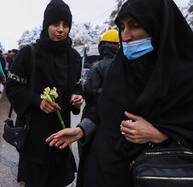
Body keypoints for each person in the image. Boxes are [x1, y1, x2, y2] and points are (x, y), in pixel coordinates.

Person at [46, 0, 193, 186]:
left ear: (158, 24)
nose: (125, 35)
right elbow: (104, 109)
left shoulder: (184, 75)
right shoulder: (120, 68)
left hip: (154, 174)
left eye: (135, 25)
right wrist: (82, 129)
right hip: (102, 171)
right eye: (122, 27)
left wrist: (162, 134)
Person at [5, 0, 83, 186]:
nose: (61, 29)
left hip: (62, 135)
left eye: (65, 25)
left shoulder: (74, 57)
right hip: (34, 137)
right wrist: (36, 101)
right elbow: (12, 88)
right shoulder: (29, 53)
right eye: (55, 24)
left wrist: (77, 98)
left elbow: (76, 86)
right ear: (46, 24)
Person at [77, 29, 120, 155]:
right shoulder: (125, 67)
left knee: (88, 151)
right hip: (116, 119)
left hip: (92, 116)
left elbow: (89, 91)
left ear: (101, 47)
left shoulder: (97, 67)